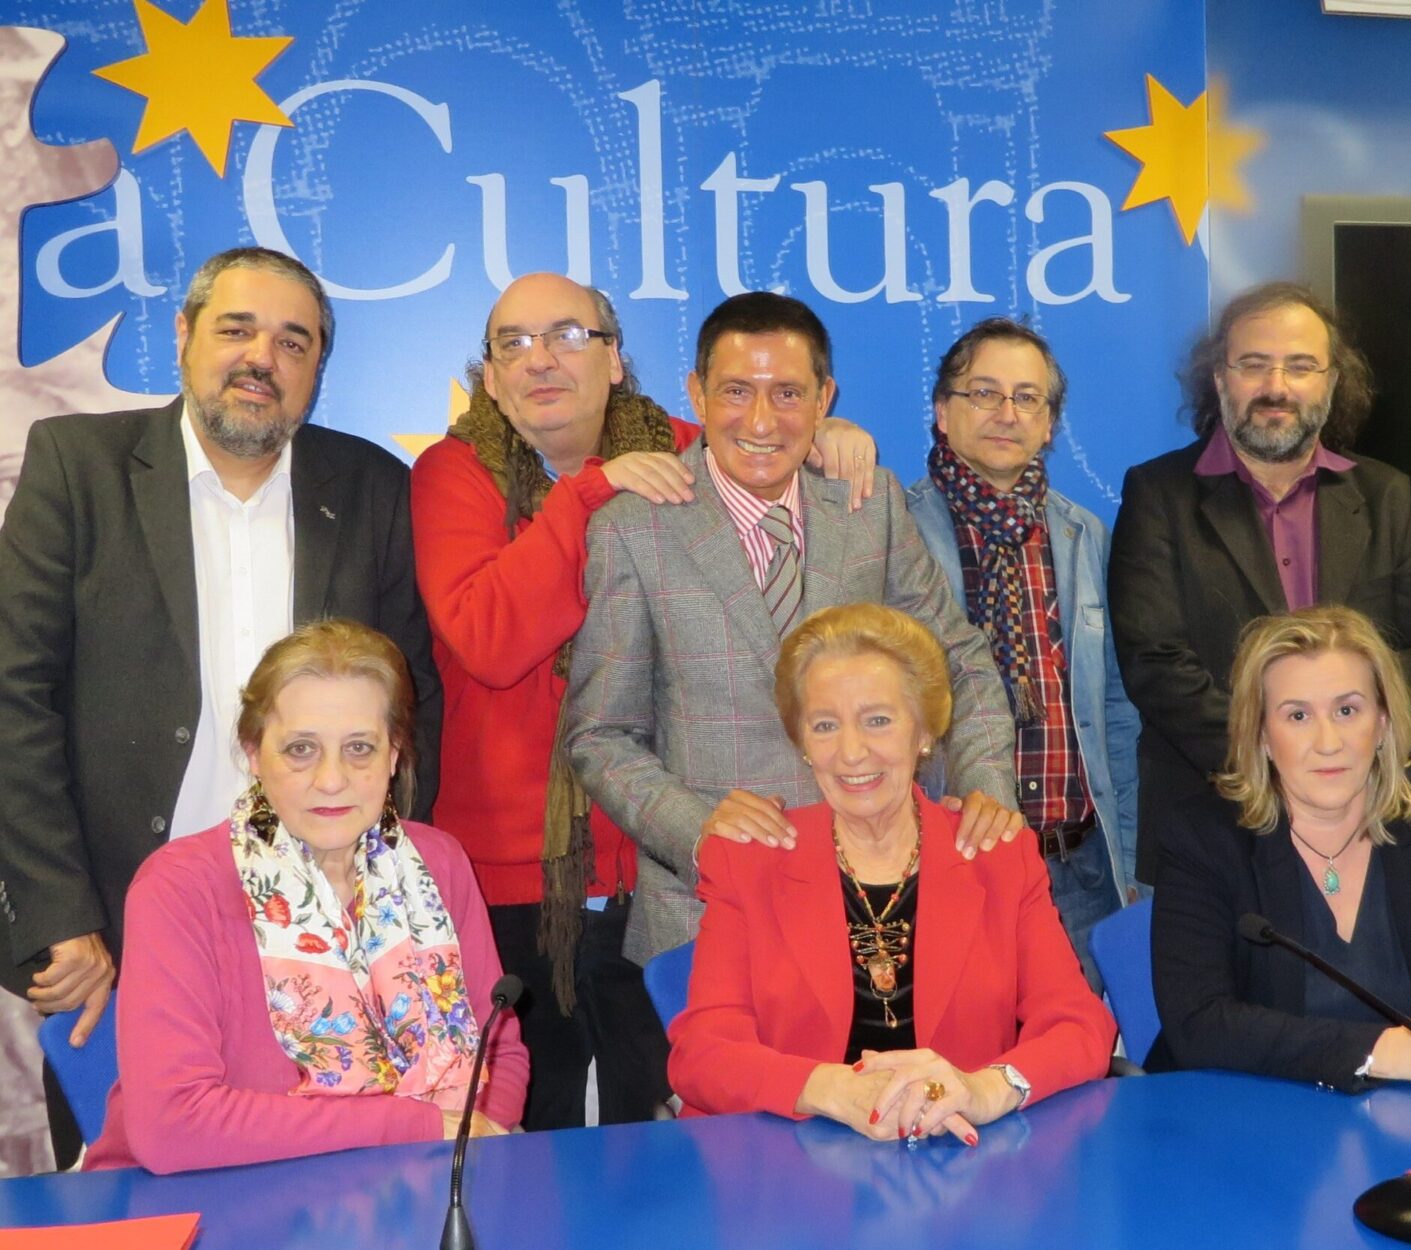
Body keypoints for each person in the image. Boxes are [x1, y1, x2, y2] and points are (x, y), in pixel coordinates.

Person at [0, 246, 440, 1162]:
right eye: (236, 329)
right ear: (184, 336)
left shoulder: (371, 488)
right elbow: (13, 696)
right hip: (117, 937)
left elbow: (412, 707)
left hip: (327, 932)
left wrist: (384, 905)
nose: (260, 359)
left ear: (319, 368)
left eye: (293, 342)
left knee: (327, 1190)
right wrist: (57, 912)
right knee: (136, 1185)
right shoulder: (79, 466)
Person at [411, 272, 876, 1129]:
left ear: (616, 359)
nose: (539, 360)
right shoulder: (454, 472)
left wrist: (832, 434)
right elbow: (488, 639)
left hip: (658, 868)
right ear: (488, 373)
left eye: (567, 336)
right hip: (516, 877)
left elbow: (761, 432)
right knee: (532, 1124)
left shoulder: (677, 441)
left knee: (659, 1119)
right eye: (512, 344)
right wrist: (593, 489)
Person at [565, 291, 1023, 971]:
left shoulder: (872, 509)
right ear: (695, 392)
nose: (760, 420)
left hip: (881, 910)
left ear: (823, 397)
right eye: (735, 391)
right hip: (710, 917)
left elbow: (960, 662)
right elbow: (601, 736)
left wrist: (986, 783)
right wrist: (700, 831)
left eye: (786, 393)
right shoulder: (634, 530)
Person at [85, 620, 526, 1173]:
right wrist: (417, 1127)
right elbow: (172, 1126)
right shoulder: (178, 888)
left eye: (360, 748)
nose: (332, 778)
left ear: (394, 756)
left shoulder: (441, 863)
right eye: (300, 750)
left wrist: (473, 1142)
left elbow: (500, 1052)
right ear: (253, 753)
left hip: (415, 1186)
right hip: (203, 1204)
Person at [669, 604, 1114, 1137]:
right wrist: (831, 1090)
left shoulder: (997, 853)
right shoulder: (749, 860)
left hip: (960, 1165)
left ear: (924, 730)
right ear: (803, 743)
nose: (852, 752)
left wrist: (985, 1089)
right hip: (785, 1168)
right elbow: (703, 1053)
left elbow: (1079, 1026)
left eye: (878, 720)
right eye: (825, 725)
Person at [1110, 282, 1411, 885]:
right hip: (1212, 820)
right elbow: (1155, 662)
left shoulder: (1388, 496)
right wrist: (1271, 769)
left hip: (1366, 820)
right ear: (1220, 380)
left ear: (1331, 382)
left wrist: (1352, 760)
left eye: (1300, 366)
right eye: (1254, 365)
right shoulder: (1158, 494)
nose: (1277, 387)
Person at [1148, 605, 1411, 1092]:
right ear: (1261, 735)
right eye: (1297, 716)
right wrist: (1382, 1051)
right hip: (1252, 1118)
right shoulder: (1204, 837)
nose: (1328, 742)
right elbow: (1200, 1023)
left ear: (1381, 722)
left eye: (1347, 710)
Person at [904, 317, 1141, 978]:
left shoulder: (1083, 535)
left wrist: (1123, 858)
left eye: (1028, 398)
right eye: (984, 393)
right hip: (951, 861)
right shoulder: (892, 529)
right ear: (942, 413)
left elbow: (1116, 709)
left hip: (1080, 872)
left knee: (1084, 1069)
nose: (1007, 413)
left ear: (1048, 425)